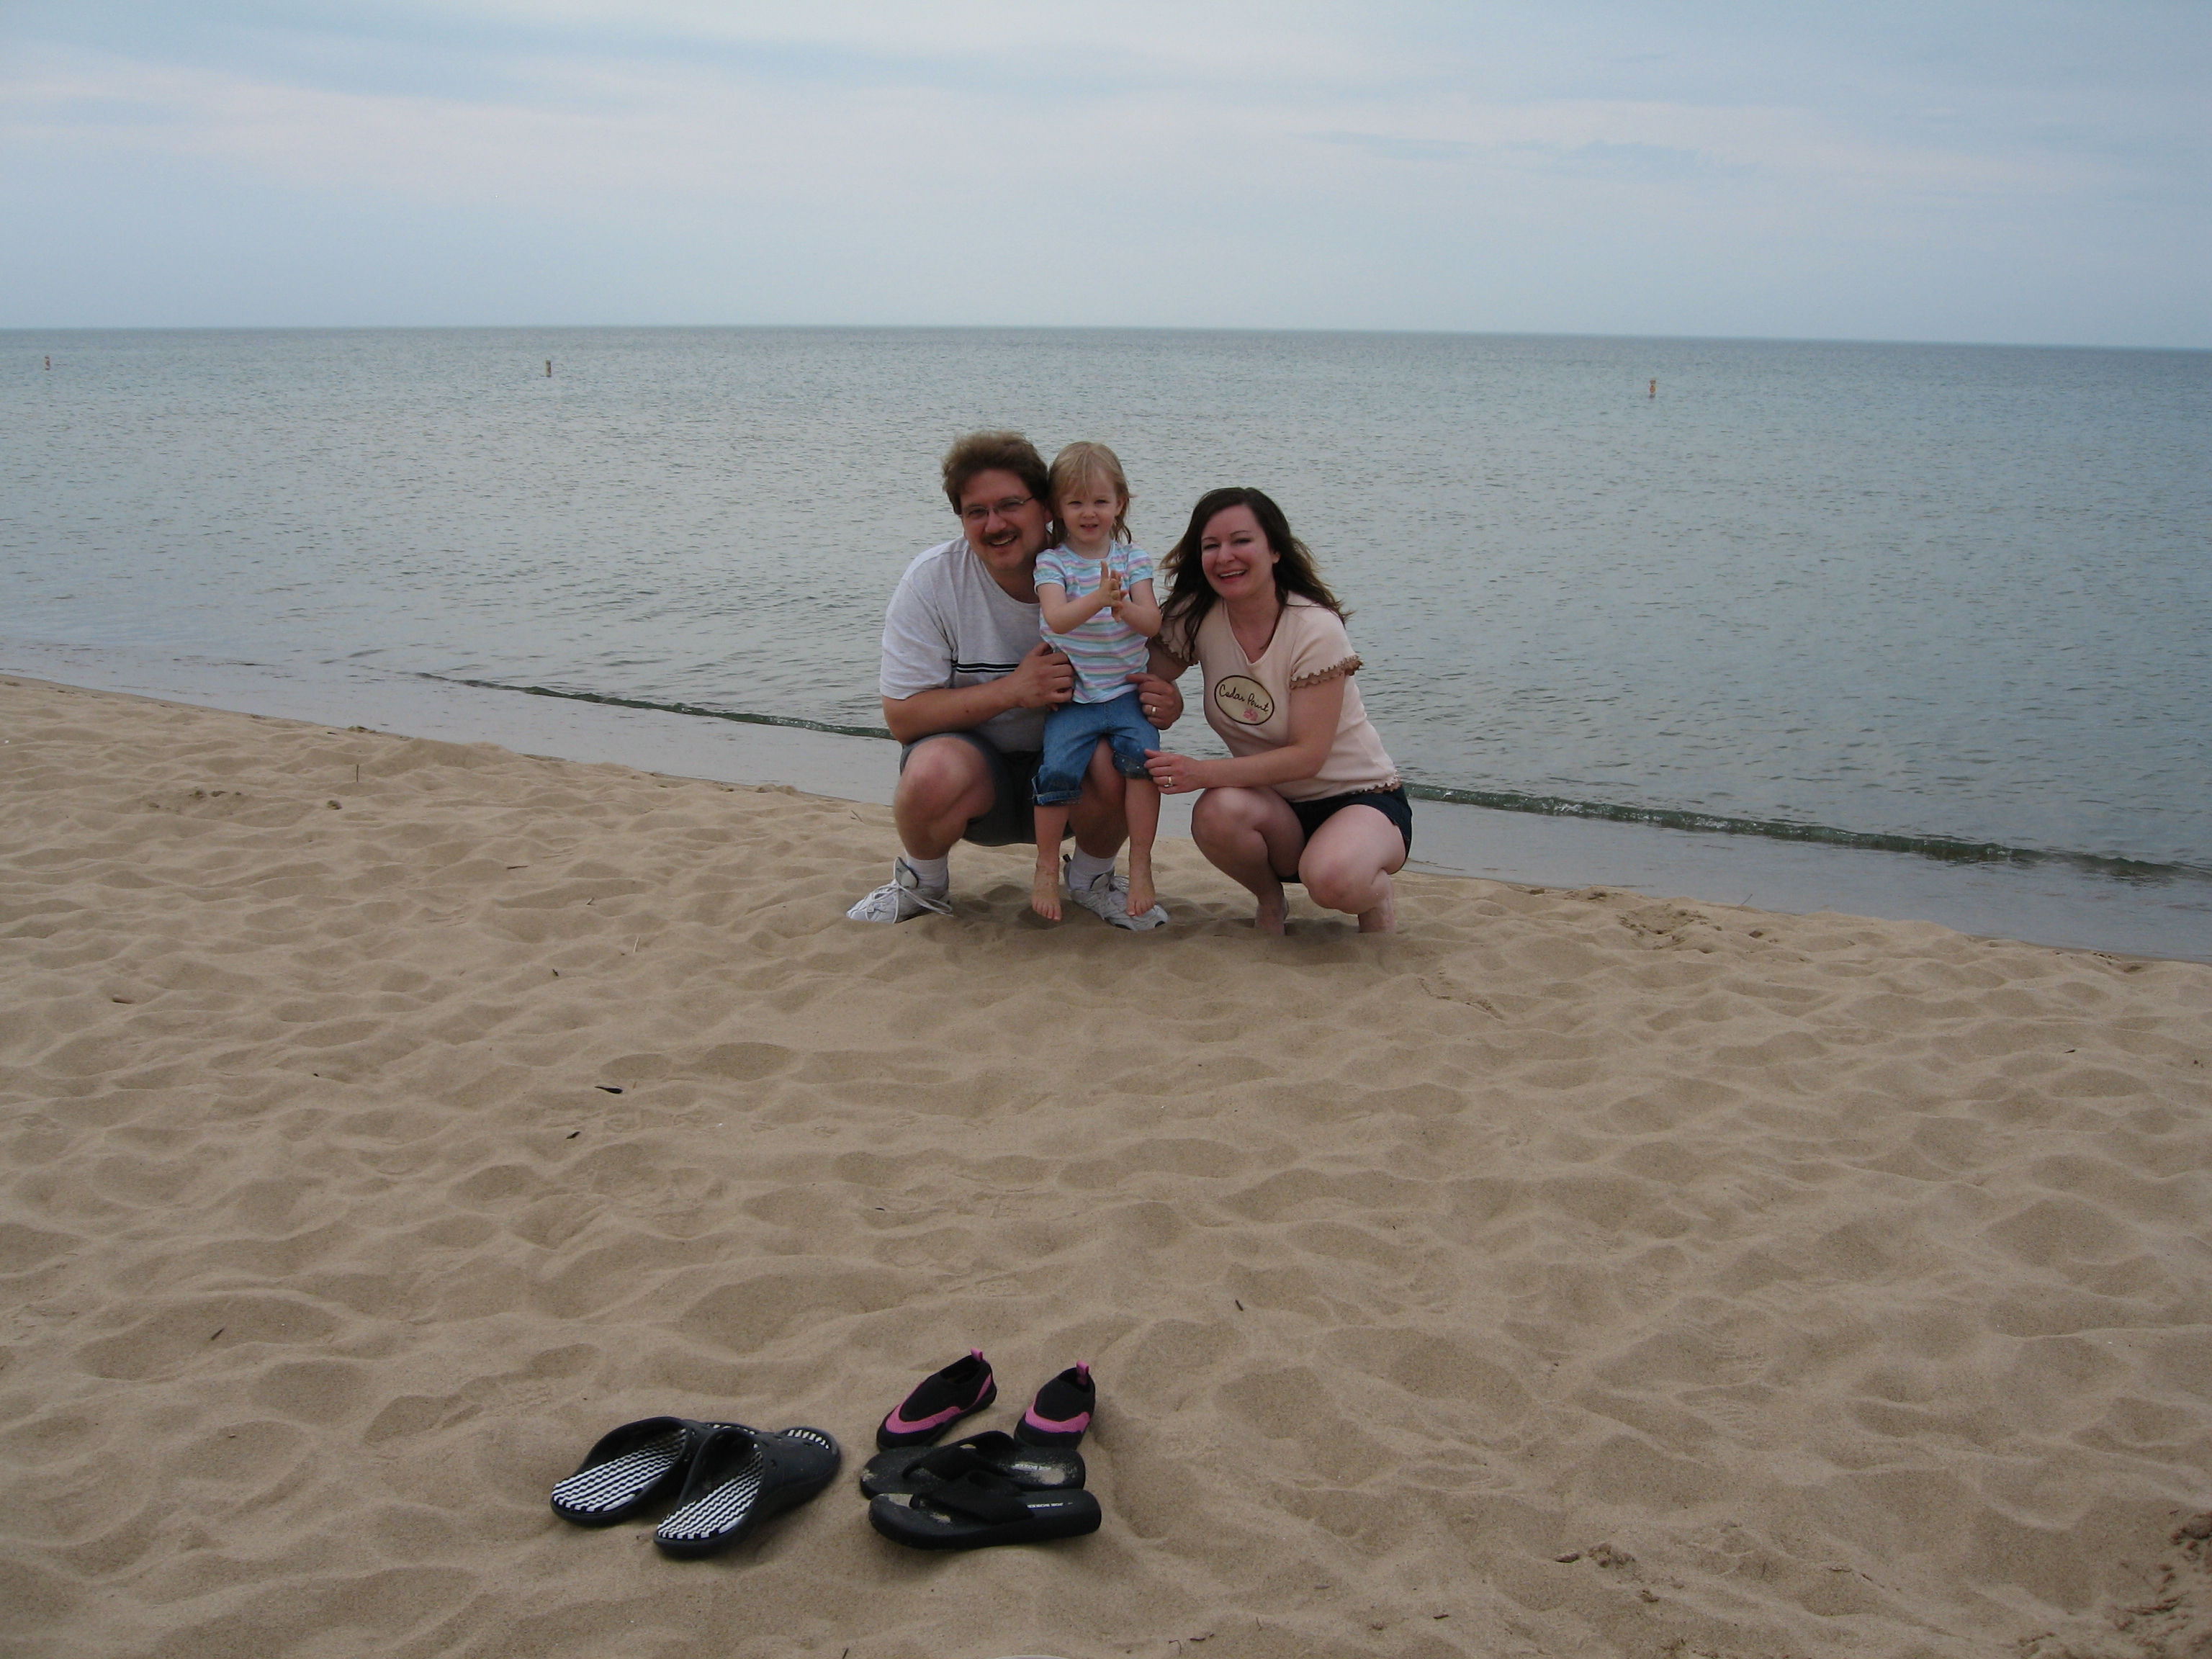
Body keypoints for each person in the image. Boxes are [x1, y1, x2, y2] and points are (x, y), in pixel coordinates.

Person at [847, 431, 1179, 928]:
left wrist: (1166, 702)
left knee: (1122, 760)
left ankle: (1092, 879)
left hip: (1079, 786)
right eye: (975, 511)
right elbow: (902, 717)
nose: (995, 524)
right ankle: (924, 883)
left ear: (1046, 508)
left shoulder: (1105, 568)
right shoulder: (933, 581)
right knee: (930, 771)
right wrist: (1013, 691)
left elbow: (1147, 666)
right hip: (980, 784)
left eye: (1010, 505)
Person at [1143, 487, 1411, 935]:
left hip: (1359, 799)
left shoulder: (1314, 628)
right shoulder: (1198, 615)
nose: (1225, 556)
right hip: (1273, 808)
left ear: (1275, 551)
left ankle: (1375, 893)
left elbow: (1309, 756)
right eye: (1211, 546)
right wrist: (1168, 700)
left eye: (1241, 541)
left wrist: (1200, 772)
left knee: (1332, 880)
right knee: (1216, 813)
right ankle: (1271, 900)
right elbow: (1137, 675)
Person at [1030, 442, 1164, 922]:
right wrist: (1098, 598)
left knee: (1144, 765)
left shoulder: (1134, 560)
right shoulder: (1054, 563)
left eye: (1100, 502)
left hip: (1126, 692)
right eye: (1076, 502)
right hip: (1077, 698)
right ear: (1058, 509)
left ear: (1119, 504)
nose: (1089, 513)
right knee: (1057, 773)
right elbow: (1058, 618)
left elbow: (1153, 623)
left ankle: (1141, 862)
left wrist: (1123, 604)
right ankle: (1047, 866)